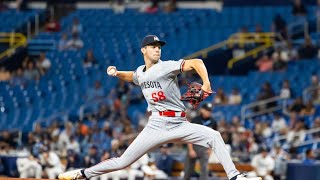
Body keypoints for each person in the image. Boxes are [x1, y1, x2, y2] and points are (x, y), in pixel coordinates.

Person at [58, 35, 262, 180]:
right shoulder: (141, 72)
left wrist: (206, 84)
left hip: (179, 122)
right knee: (123, 162)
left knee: (214, 136)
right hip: (156, 124)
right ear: (143, 50)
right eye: (153, 46)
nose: (157, 49)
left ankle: (235, 176)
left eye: (159, 46)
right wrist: (118, 73)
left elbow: (197, 62)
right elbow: (135, 76)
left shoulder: (166, 66)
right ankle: (82, 174)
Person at [184, 102, 217, 180]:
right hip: (194, 145)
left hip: (205, 147)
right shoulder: (195, 120)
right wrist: (191, 149)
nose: (208, 112)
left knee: (204, 169)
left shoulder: (213, 122)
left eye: (210, 111)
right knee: (188, 169)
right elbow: (189, 135)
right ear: (202, 110)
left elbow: (213, 137)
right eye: (207, 110)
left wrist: (210, 150)